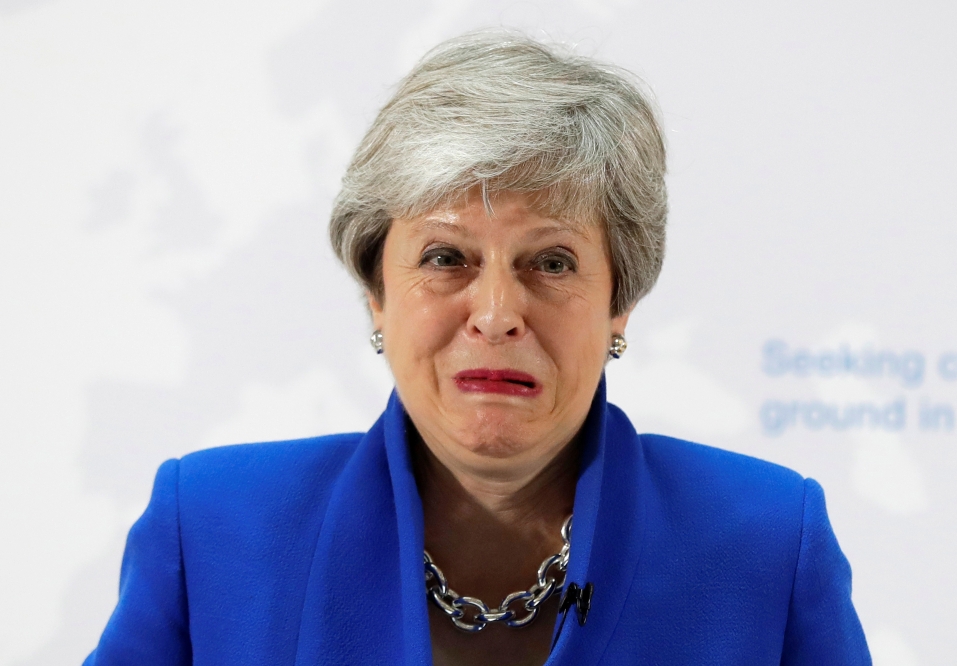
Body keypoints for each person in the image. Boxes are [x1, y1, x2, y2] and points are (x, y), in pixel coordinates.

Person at [85, 30, 871, 666]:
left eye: (552, 262)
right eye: (445, 257)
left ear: (620, 301)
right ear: (377, 293)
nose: (496, 314)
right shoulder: (213, 528)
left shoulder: (767, 542)